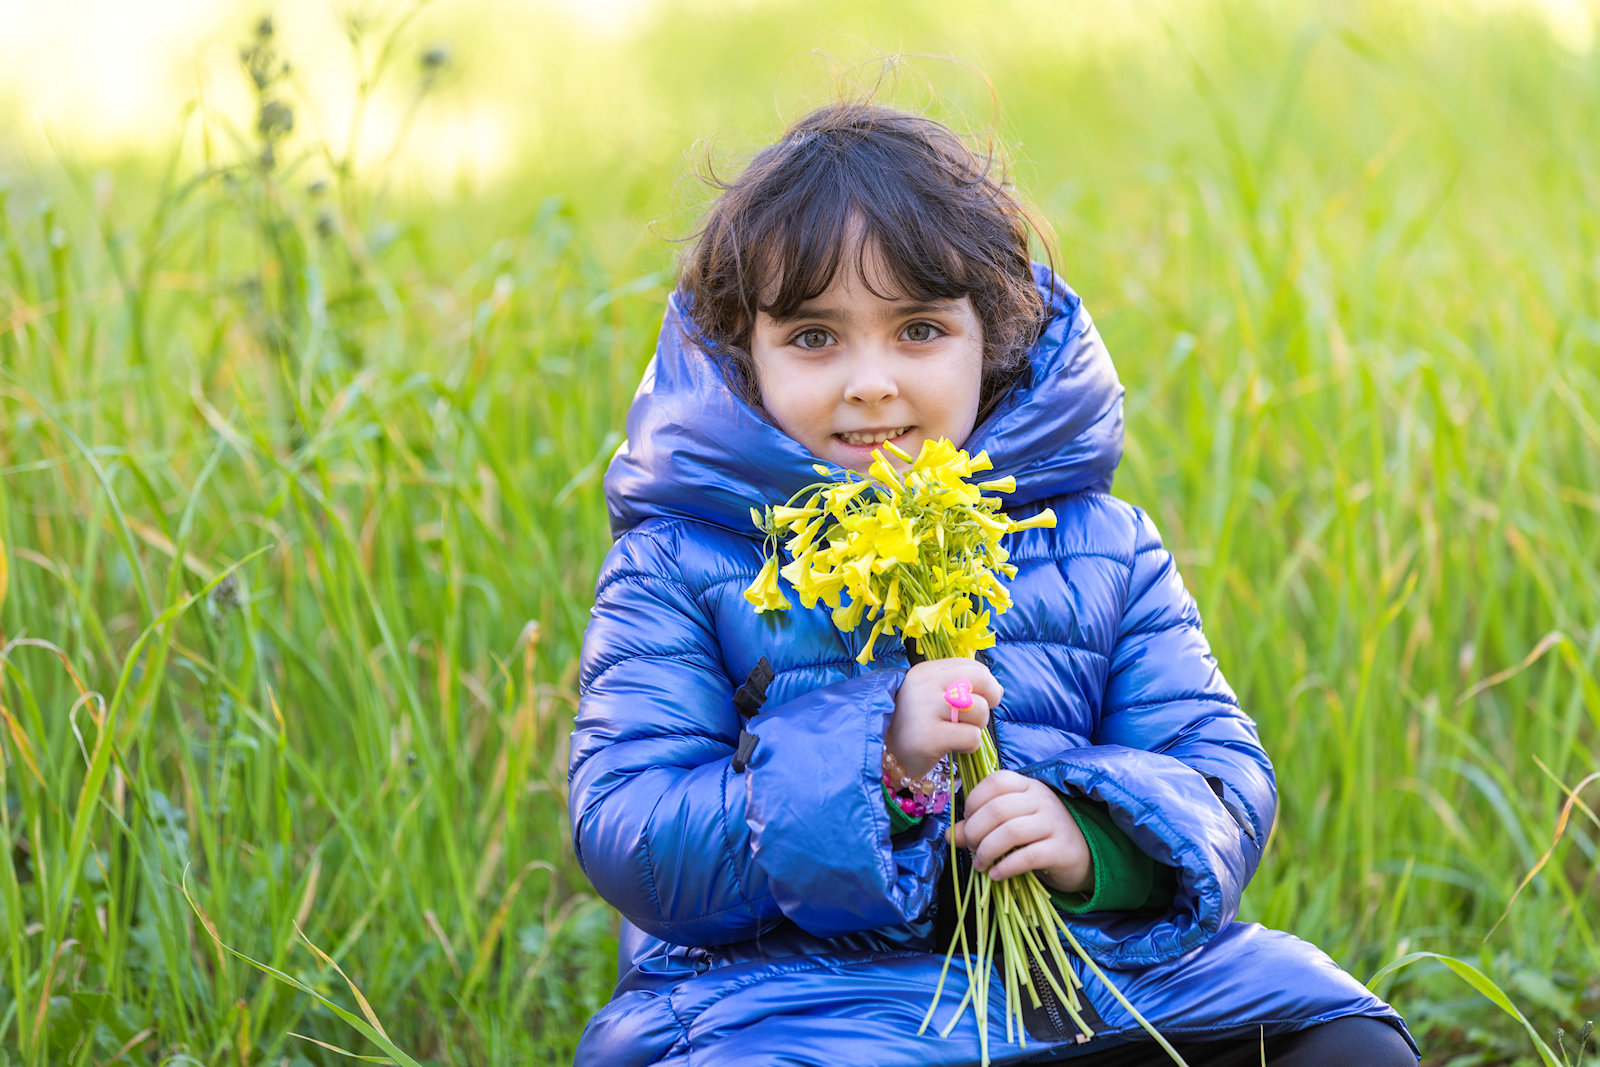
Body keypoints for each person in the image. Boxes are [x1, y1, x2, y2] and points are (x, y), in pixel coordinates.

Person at [567, 100, 1419, 1066]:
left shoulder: (1100, 541)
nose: (872, 382)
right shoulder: (683, 559)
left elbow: (1223, 773)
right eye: (814, 337)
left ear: (995, 339)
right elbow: (632, 829)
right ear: (742, 357)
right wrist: (875, 759)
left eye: (919, 329)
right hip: (798, 1011)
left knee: (1348, 1046)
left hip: (1091, 987)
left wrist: (1093, 838)